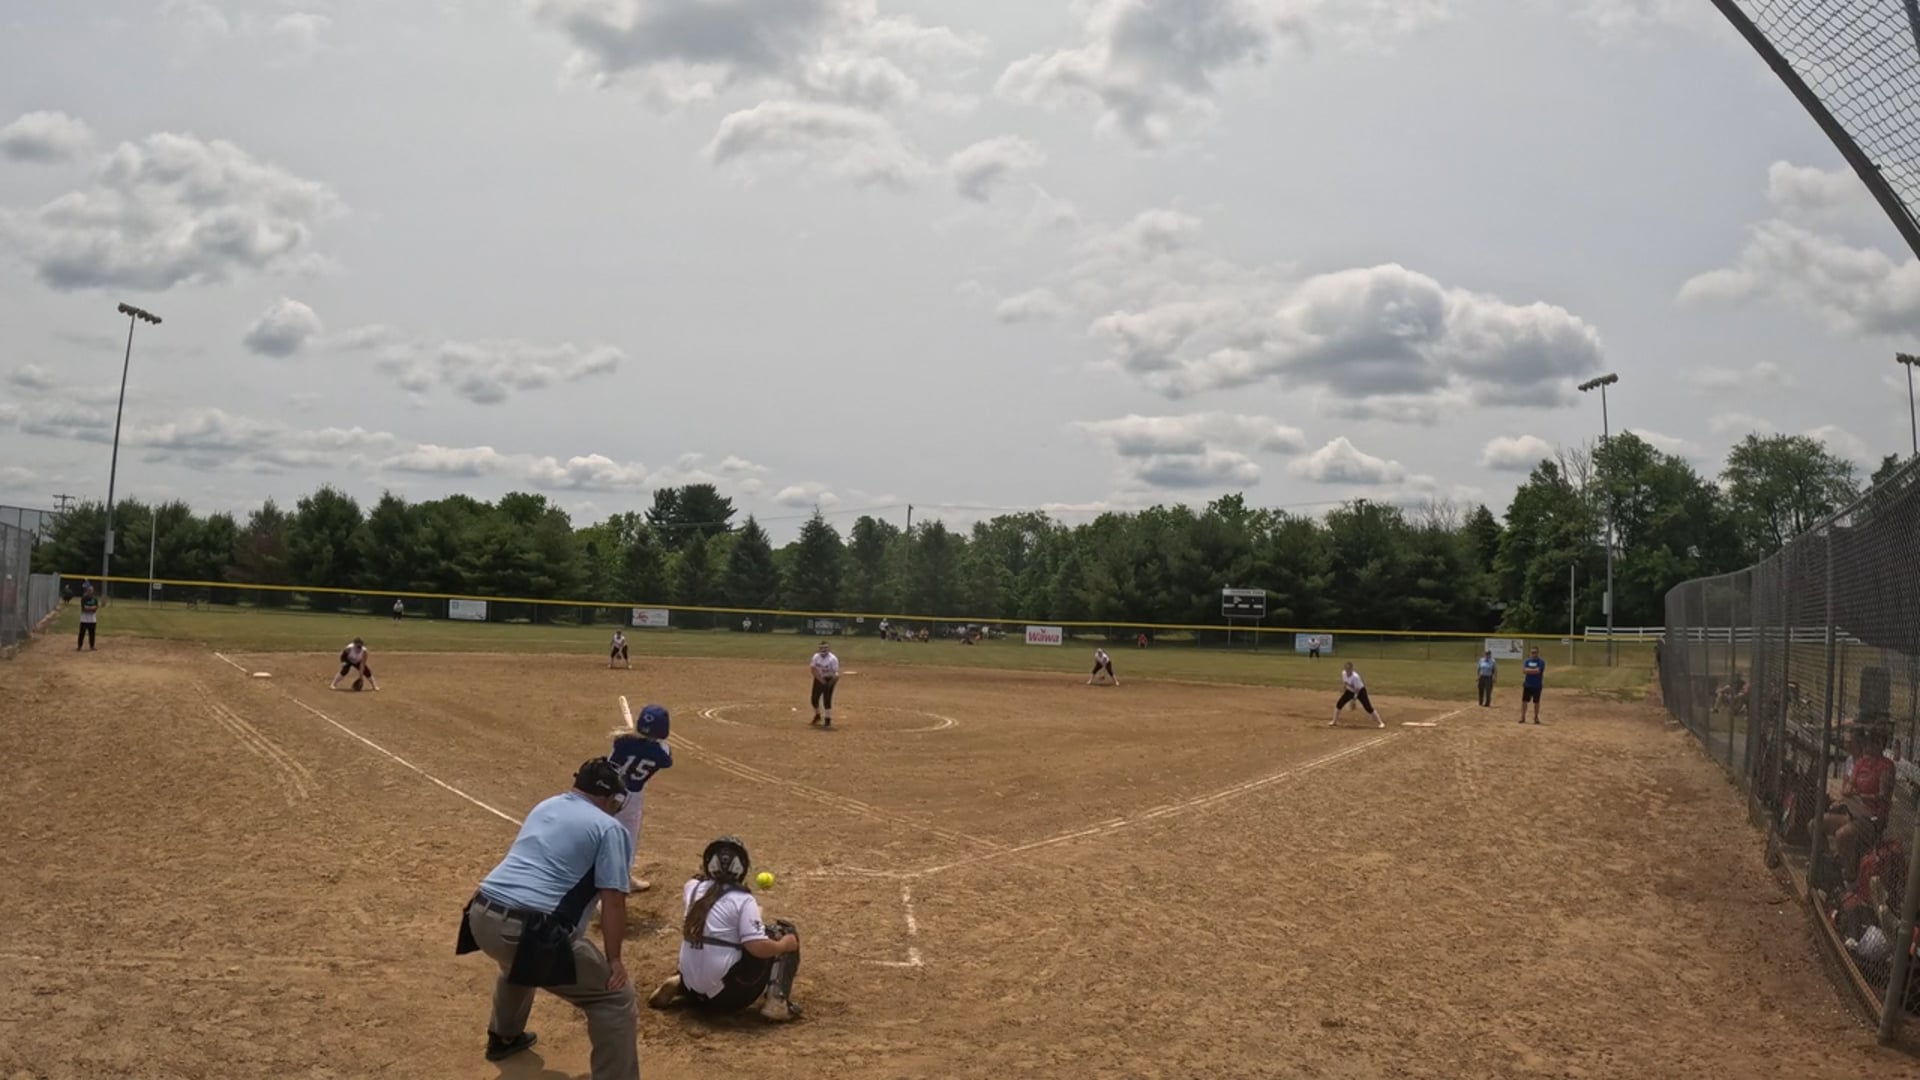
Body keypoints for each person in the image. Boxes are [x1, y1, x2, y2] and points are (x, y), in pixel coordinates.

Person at [456, 758, 638, 1078]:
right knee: (614, 998)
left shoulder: (547, 805)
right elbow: (613, 902)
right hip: (524, 931)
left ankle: (504, 1037)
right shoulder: (610, 829)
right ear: (611, 797)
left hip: (480, 915)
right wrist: (614, 960)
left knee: (516, 963)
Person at [646, 836, 803, 1022]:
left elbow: (704, 889)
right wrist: (784, 945)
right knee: (781, 932)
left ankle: (681, 983)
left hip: (693, 993)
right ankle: (777, 1002)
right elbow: (757, 947)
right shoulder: (743, 900)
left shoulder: (692, 888)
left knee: (709, 938)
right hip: (726, 998)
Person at [609, 704, 672, 892]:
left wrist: (634, 737)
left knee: (600, 834)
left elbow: (620, 748)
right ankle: (621, 879)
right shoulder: (661, 754)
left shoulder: (621, 741)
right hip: (631, 798)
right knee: (628, 838)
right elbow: (666, 756)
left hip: (606, 791)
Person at [1824, 723, 1895, 876]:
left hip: (1873, 819)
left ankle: (1849, 877)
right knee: (1817, 823)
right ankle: (1833, 864)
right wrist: (1849, 792)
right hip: (1854, 812)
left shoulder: (1886, 766)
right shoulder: (1861, 762)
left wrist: (1860, 796)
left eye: (1871, 744)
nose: (1867, 747)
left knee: (1842, 835)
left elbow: (1883, 796)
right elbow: (1848, 787)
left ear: (1880, 745)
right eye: (1867, 743)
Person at [1331, 662, 1383, 728]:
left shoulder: (1355, 677)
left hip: (1360, 692)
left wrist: (1354, 699)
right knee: (1339, 704)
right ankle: (1334, 721)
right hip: (1349, 691)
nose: (1347, 671)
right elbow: (1345, 683)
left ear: (1352, 669)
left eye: (1349, 669)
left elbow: (1357, 689)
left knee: (1368, 707)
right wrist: (1344, 690)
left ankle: (1380, 723)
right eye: (1346, 669)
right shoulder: (1343, 673)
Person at [808, 641, 839, 729]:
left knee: (827, 698)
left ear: (829, 649)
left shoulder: (833, 659)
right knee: (814, 699)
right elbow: (813, 669)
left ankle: (827, 719)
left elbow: (836, 674)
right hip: (819, 678)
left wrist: (830, 684)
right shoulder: (816, 657)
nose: (823, 649)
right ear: (819, 649)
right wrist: (821, 680)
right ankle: (817, 715)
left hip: (829, 679)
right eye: (821, 648)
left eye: (825, 648)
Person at [1519, 647, 1544, 724]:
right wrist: (1533, 670)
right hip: (1527, 684)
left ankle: (1536, 717)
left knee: (1536, 702)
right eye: (1532, 652)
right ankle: (1523, 717)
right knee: (1524, 701)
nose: (1533, 654)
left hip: (1537, 685)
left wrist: (1529, 670)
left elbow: (1538, 671)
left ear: (1537, 653)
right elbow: (1524, 670)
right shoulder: (1527, 661)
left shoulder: (1540, 662)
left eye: (1535, 652)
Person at [76, 584, 99, 651]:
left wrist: (89, 608)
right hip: (84, 619)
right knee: (82, 633)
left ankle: (92, 646)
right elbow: (84, 609)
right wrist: (91, 608)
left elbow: (95, 608)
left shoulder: (95, 599)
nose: (90, 591)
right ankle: (79, 646)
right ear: (87, 591)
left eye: (91, 590)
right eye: (89, 590)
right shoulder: (84, 598)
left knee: (92, 634)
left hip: (92, 620)